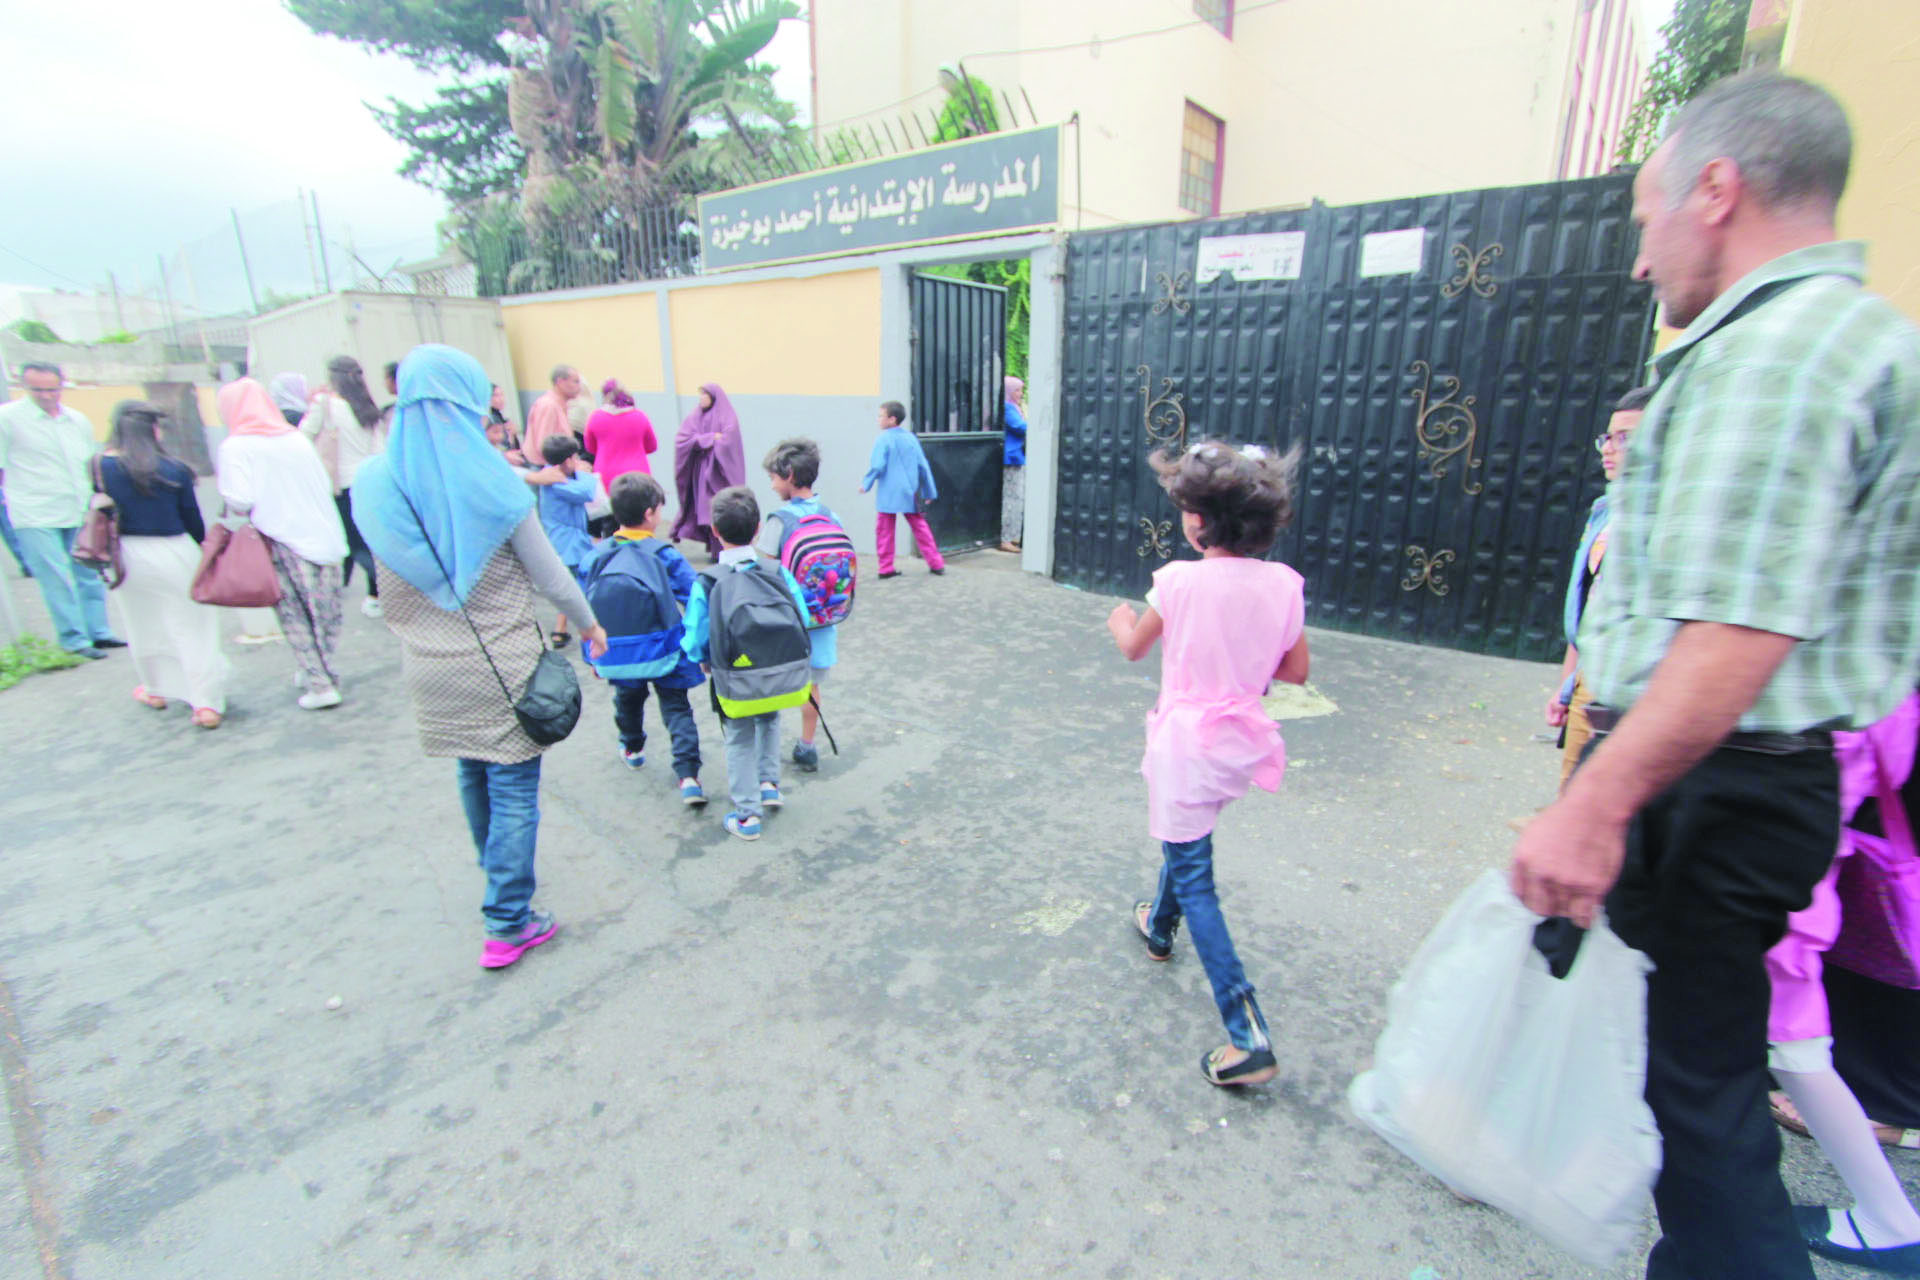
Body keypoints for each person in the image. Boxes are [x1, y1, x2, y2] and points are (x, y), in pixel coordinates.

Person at [1507, 72, 1920, 1280]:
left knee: (1703, 1098)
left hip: (1723, 777)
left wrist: (1590, 802)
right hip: (1742, 777)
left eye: (1645, 219)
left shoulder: (1779, 350)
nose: (1640, 260)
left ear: (1717, 190)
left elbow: (1740, 628)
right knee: (1699, 1077)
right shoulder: (1842, 335)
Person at [349, 344, 607, 970]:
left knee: (472, 770)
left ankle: (498, 877)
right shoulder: (489, 478)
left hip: (429, 668)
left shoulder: (375, 481)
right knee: (516, 785)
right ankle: (508, 920)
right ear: (464, 401)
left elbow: (378, 580)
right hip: (502, 666)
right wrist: (591, 625)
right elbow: (551, 576)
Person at [1107, 441, 1309, 1087]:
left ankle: (1248, 1034)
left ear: (1199, 521)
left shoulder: (1178, 580)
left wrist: (1118, 619)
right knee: (1186, 844)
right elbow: (1296, 670)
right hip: (1239, 742)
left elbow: (1136, 649)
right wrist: (1247, 661)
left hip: (1187, 745)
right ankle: (1158, 927)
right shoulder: (1282, 584)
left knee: (1196, 875)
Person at [1765, 694, 1920, 1272]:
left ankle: (1891, 1220)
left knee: (1793, 1045)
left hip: (1789, 874)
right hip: (1809, 875)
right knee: (1793, 1044)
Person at [681, 485, 811, 842]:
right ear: (757, 530)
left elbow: (694, 637)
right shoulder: (776, 571)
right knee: (770, 719)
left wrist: (701, 659)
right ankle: (769, 784)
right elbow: (802, 615)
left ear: (715, 531)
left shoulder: (708, 581)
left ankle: (747, 815)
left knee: (738, 739)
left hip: (734, 679)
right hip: (781, 674)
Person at [216, 378, 350, 709]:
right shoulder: (295, 439)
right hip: (326, 534)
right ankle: (320, 672)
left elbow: (239, 498)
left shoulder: (236, 446)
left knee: (295, 615)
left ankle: (320, 685)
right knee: (324, 611)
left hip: (282, 538)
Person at [1544, 386, 1654, 787]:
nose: (1609, 448)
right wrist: (1566, 685)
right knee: (1572, 786)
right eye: (1608, 437)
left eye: (1626, 438)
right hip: (1589, 677)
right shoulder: (1604, 511)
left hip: (1628, 688)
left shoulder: (1663, 521)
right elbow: (1589, 606)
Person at [99, 401, 228, 728]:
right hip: (174, 550)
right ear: (154, 430)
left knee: (142, 624)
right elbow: (193, 522)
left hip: (126, 555)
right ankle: (206, 704)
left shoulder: (100, 465)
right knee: (193, 627)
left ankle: (156, 689)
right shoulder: (176, 469)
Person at [582, 471, 706, 805]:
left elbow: (584, 612)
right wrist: (699, 645)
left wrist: (590, 655)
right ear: (650, 514)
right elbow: (695, 596)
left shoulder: (597, 556)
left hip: (618, 652)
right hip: (664, 649)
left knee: (627, 700)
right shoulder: (663, 554)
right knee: (677, 708)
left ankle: (633, 747)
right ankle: (688, 776)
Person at [0, 361, 124, 656]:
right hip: (35, 511)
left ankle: (99, 632)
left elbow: (87, 463)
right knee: (55, 577)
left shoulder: (76, 420)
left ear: (62, 385)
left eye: (52, 389)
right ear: (24, 386)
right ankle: (74, 639)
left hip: (77, 508)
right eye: (37, 389)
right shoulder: (8, 419)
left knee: (90, 572)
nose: (45, 395)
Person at [760, 437, 845, 772]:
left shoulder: (779, 521)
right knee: (812, 686)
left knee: (771, 684)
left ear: (790, 475)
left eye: (774, 477)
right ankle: (807, 746)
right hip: (823, 617)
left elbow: (763, 570)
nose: (771, 484)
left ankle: (764, 754)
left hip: (786, 621)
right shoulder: (830, 515)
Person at [301, 356, 387, 618]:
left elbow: (303, 437)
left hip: (342, 485)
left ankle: (383, 589)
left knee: (354, 544)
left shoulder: (324, 405)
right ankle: (376, 595)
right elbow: (378, 448)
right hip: (369, 481)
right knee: (372, 542)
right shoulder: (366, 406)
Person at [523, 434, 598, 648]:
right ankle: (584, 628)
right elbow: (587, 491)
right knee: (577, 586)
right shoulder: (556, 483)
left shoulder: (550, 475)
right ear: (567, 460)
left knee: (570, 586)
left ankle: (562, 629)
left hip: (567, 542)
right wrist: (584, 473)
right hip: (569, 545)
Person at [860, 400, 944, 579]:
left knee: (884, 529)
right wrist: (929, 491)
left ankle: (885, 567)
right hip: (909, 491)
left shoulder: (883, 439)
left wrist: (866, 483)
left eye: (881, 416)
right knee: (920, 527)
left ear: (892, 419)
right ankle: (936, 563)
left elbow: (877, 466)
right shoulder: (911, 438)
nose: (878, 419)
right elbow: (923, 466)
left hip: (888, 493)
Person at [672, 383, 747, 559]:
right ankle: (715, 550)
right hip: (702, 473)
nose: (700, 398)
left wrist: (709, 441)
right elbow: (683, 438)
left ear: (713, 396)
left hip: (719, 474)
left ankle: (722, 550)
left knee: (720, 510)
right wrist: (710, 438)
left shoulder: (728, 416)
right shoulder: (695, 415)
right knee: (705, 511)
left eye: (703, 395)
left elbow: (729, 439)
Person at [583, 378, 658, 487]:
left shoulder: (595, 418)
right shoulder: (639, 416)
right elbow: (652, 447)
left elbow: (590, 448)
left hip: (606, 474)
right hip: (638, 474)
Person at [523, 364, 582, 464]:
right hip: (545, 468)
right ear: (560, 382)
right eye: (575, 382)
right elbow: (544, 446)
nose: (579, 387)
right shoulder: (548, 406)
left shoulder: (560, 404)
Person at [1000, 375, 1028, 553]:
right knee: (1011, 499)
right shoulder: (1008, 408)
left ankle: (1012, 536)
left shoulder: (1014, 407)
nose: (1020, 393)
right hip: (1012, 457)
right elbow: (1020, 427)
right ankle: (1006, 539)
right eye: (1017, 390)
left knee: (1017, 498)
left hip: (1016, 455)